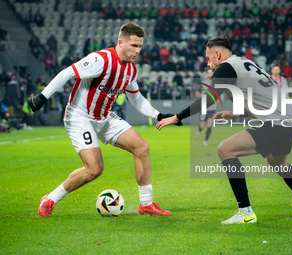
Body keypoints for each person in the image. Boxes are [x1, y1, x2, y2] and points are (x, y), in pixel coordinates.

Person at [156, 36, 292, 224]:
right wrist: (235, 114)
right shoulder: (245, 62)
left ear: (218, 54)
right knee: (278, 163)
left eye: (208, 58)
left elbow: (209, 98)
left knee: (225, 149)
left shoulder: (225, 67)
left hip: (278, 121)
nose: (208, 62)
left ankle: (245, 212)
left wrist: (176, 117)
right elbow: (263, 98)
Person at [28, 22, 181, 218]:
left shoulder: (130, 70)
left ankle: (146, 203)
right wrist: (43, 96)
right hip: (79, 116)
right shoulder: (101, 60)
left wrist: (158, 115)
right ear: (120, 42)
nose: (137, 51)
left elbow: (136, 98)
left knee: (142, 147)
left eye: (140, 47)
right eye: (133, 46)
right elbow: (68, 72)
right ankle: (50, 198)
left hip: (104, 116)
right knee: (94, 169)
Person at [194, 68, 216, 146]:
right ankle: (199, 131)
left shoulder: (215, 84)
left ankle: (205, 141)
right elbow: (197, 94)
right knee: (202, 125)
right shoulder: (203, 84)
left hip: (212, 108)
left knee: (210, 124)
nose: (210, 74)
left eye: (212, 73)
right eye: (209, 73)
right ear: (207, 74)